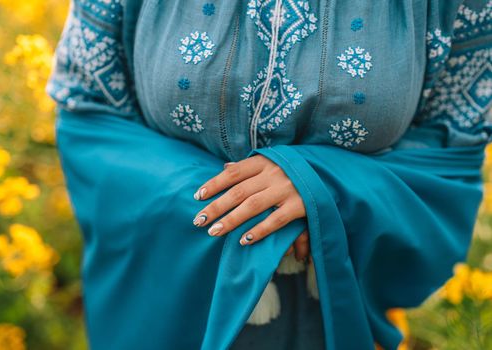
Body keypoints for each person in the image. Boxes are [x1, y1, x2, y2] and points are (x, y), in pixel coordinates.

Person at [47, 1, 492, 349]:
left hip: (333, 317)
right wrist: (243, 203)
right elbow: (91, 114)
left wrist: (325, 188)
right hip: (170, 315)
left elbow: (449, 149)